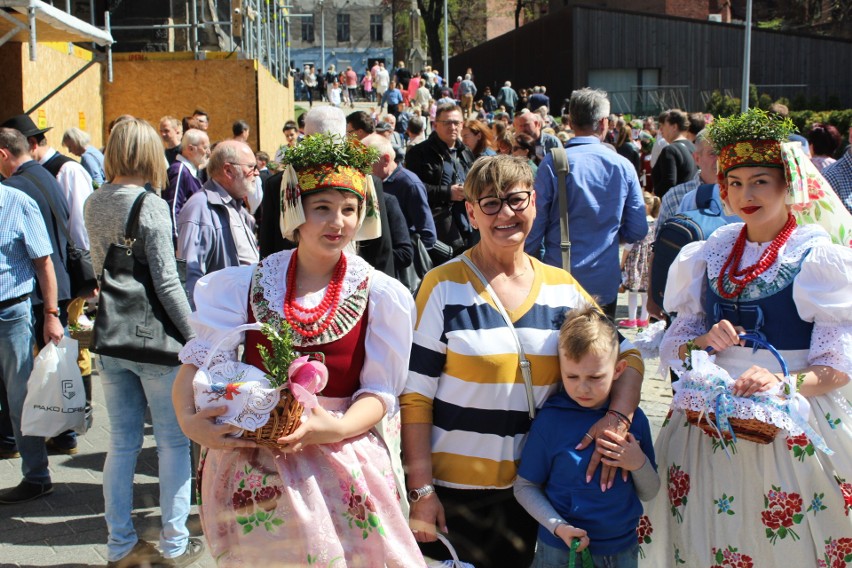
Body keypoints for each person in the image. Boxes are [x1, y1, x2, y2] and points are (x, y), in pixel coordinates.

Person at [171, 133, 424, 566]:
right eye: (322, 208)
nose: (337, 222)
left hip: (342, 461)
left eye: (349, 210)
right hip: (254, 464)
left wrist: (337, 429)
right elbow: (195, 366)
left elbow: (380, 391)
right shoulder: (244, 285)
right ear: (295, 213)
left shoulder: (379, 294)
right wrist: (190, 425)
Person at [401, 155, 645, 567]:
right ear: (471, 211)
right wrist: (422, 492)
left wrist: (617, 419)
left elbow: (630, 357)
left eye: (516, 200)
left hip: (539, 492)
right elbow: (415, 398)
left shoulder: (561, 288)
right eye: (491, 203)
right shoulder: (442, 286)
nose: (506, 214)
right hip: (457, 494)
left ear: (534, 202)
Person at [641, 108, 852, 566]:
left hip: (786, 422)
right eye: (735, 183)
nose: (745, 194)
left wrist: (783, 384)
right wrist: (703, 342)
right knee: (707, 536)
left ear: (787, 185)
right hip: (708, 424)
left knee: (782, 543)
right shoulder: (712, 251)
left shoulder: (817, 257)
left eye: (759, 181)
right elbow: (675, 347)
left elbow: (837, 367)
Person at [83, 118, 202, 567]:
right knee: (172, 443)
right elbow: (168, 283)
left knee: (121, 443)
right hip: (154, 341)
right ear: (149, 154)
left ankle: (119, 545)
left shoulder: (94, 201)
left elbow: (102, 268)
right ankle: (173, 544)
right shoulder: (150, 203)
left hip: (112, 336)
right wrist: (196, 340)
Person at [515, 306, 660, 568]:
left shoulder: (633, 420)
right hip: (559, 551)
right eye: (572, 376)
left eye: (595, 377)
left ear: (619, 370)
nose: (582, 387)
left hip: (622, 551)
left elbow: (651, 491)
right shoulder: (550, 421)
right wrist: (558, 527)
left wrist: (636, 462)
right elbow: (525, 487)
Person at [525, 88, 647, 321]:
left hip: (558, 279)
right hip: (604, 281)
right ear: (604, 123)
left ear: (569, 121)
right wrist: (611, 235)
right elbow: (638, 229)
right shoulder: (622, 166)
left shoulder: (553, 162)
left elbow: (534, 225)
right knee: (602, 352)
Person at [0, 182, 64, 504]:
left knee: (19, 399)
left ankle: (37, 476)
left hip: (9, 314)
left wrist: (52, 315)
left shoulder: (18, 203)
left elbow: (44, 263)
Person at [176, 140, 259, 308]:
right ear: (228, 170)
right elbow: (190, 279)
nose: (256, 173)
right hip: (218, 325)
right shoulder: (201, 208)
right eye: (251, 167)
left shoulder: (237, 208)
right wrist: (198, 330)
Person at [405, 103, 476, 259]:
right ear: (435, 125)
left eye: (456, 123)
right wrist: (447, 192)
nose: (452, 127)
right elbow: (412, 190)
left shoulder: (466, 152)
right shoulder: (418, 153)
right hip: (437, 226)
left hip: (467, 223)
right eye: (447, 123)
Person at [619, 192, 660, 329]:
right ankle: (643, 319)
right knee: (645, 293)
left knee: (633, 292)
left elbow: (628, 246)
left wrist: (622, 263)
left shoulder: (638, 224)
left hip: (635, 262)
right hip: (649, 263)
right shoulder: (656, 224)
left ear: (646, 206)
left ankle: (632, 319)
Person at [651, 109, 697, 198]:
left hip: (675, 205)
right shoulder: (693, 147)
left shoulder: (670, 150)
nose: (660, 129)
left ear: (674, 127)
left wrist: (654, 194)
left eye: (663, 125)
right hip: (691, 201)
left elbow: (669, 182)